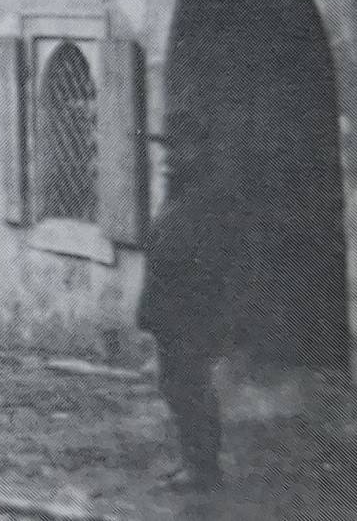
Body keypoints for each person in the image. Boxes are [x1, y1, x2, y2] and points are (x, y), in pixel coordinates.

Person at [137, 114, 235, 492]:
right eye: (167, 149)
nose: (167, 158)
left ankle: (203, 470)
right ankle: (195, 462)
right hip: (174, 313)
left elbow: (209, 260)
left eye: (176, 149)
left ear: (196, 151)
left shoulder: (207, 196)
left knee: (189, 388)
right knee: (178, 387)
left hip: (192, 313)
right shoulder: (180, 190)